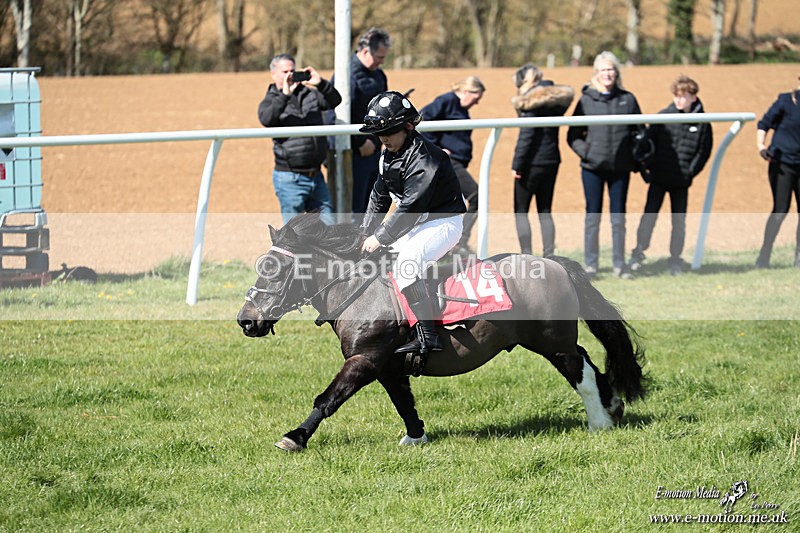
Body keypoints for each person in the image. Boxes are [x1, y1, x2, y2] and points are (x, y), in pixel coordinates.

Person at [359, 91, 466, 355]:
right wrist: (364, 231)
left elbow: (410, 207)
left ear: (408, 127)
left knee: (406, 266)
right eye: (378, 133)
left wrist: (379, 237)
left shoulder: (426, 159)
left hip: (442, 223)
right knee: (382, 262)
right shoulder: (388, 154)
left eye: (389, 131)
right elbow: (379, 195)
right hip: (416, 223)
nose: (383, 138)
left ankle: (430, 338)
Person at [567, 51, 642, 279]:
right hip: (593, 169)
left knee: (618, 218)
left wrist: (632, 156)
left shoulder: (628, 99)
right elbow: (573, 135)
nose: (607, 74)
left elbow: (640, 132)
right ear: (596, 74)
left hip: (620, 169)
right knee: (593, 217)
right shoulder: (587, 100)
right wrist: (587, 153)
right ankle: (591, 266)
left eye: (611, 69)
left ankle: (620, 265)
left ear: (616, 73)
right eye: (603, 70)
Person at [629, 75, 713, 275]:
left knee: (679, 221)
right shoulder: (664, 116)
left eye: (684, 96)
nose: (679, 100)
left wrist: (689, 173)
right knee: (648, 217)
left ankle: (675, 259)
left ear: (693, 97)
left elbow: (703, 152)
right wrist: (647, 170)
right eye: (676, 96)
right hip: (658, 178)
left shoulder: (702, 123)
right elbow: (648, 145)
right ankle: (638, 253)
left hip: (681, 182)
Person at [258, 53, 341, 225]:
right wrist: (285, 95)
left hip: (316, 175)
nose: (290, 75)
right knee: (294, 235)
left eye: (293, 71)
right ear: (273, 74)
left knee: (328, 229)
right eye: (285, 71)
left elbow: (335, 101)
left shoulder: (309, 94)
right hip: (290, 178)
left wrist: (321, 83)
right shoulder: (271, 99)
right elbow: (267, 119)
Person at [510, 64, 574, 257]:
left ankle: (527, 256)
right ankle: (549, 256)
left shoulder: (531, 101)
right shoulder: (555, 99)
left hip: (531, 163)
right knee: (545, 210)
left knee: (521, 211)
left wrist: (517, 164)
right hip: (552, 159)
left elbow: (526, 136)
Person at [328, 28, 391, 221]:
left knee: (373, 206)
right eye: (379, 57)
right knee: (353, 209)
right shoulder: (345, 76)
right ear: (365, 51)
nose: (381, 61)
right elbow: (334, 114)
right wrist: (358, 142)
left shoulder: (379, 75)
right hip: (354, 152)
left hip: (374, 149)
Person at [420, 76, 485, 255]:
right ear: (465, 92)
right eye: (476, 98)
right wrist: (437, 149)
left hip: (455, 163)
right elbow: (421, 122)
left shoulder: (461, 108)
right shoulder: (447, 101)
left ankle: (447, 246)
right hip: (448, 163)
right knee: (477, 196)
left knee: (447, 204)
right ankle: (458, 244)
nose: (476, 103)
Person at [754, 74, 800, 269]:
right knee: (780, 210)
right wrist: (761, 146)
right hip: (782, 163)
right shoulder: (786, 101)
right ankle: (764, 256)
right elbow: (764, 123)